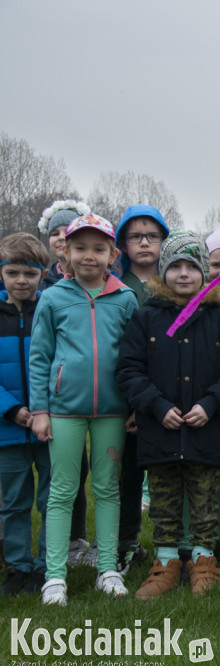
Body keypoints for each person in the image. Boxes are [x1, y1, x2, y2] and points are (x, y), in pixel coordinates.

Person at [116, 233, 220, 598]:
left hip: (204, 429)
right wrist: (157, 407)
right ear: (163, 272)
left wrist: (210, 405)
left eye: (192, 267)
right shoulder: (146, 318)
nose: (183, 274)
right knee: (163, 501)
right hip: (159, 429)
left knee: (205, 498)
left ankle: (205, 562)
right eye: (174, 266)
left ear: (204, 274)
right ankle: (165, 563)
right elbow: (129, 369)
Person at [29, 214, 139, 605]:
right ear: (65, 252)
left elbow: (134, 358)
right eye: (80, 248)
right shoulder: (54, 298)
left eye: (98, 248)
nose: (88, 256)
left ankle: (108, 568)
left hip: (112, 411)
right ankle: (55, 576)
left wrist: (134, 406)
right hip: (63, 412)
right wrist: (40, 409)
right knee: (62, 490)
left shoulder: (125, 298)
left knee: (108, 488)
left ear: (112, 254)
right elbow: (39, 356)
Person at [174, 223, 220, 569]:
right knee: (193, 471)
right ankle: (187, 541)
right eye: (214, 264)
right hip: (201, 401)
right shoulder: (196, 304)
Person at [113, 204, 171, 574]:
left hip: (167, 394)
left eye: (152, 236)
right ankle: (125, 543)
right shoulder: (117, 287)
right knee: (129, 474)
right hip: (127, 394)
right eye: (136, 236)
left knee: (167, 474)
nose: (145, 243)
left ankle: (177, 544)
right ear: (123, 243)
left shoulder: (175, 282)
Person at [35, 200, 93, 568]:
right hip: (61, 401)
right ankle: (51, 554)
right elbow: (41, 352)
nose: (61, 238)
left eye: (66, 231)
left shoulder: (109, 287)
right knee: (59, 480)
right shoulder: (47, 290)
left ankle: (80, 541)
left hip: (102, 403)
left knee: (88, 474)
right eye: (56, 233)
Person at [0, 233, 51, 596]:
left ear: (42, 274)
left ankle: (50, 565)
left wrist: (44, 408)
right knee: (15, 501)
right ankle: (18, 567)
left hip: (50, 425)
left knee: (53, 498)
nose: (21, 281)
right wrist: (13, 410)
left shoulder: (50, 310)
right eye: (12, 272)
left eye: (29, 274)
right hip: (7, 428)